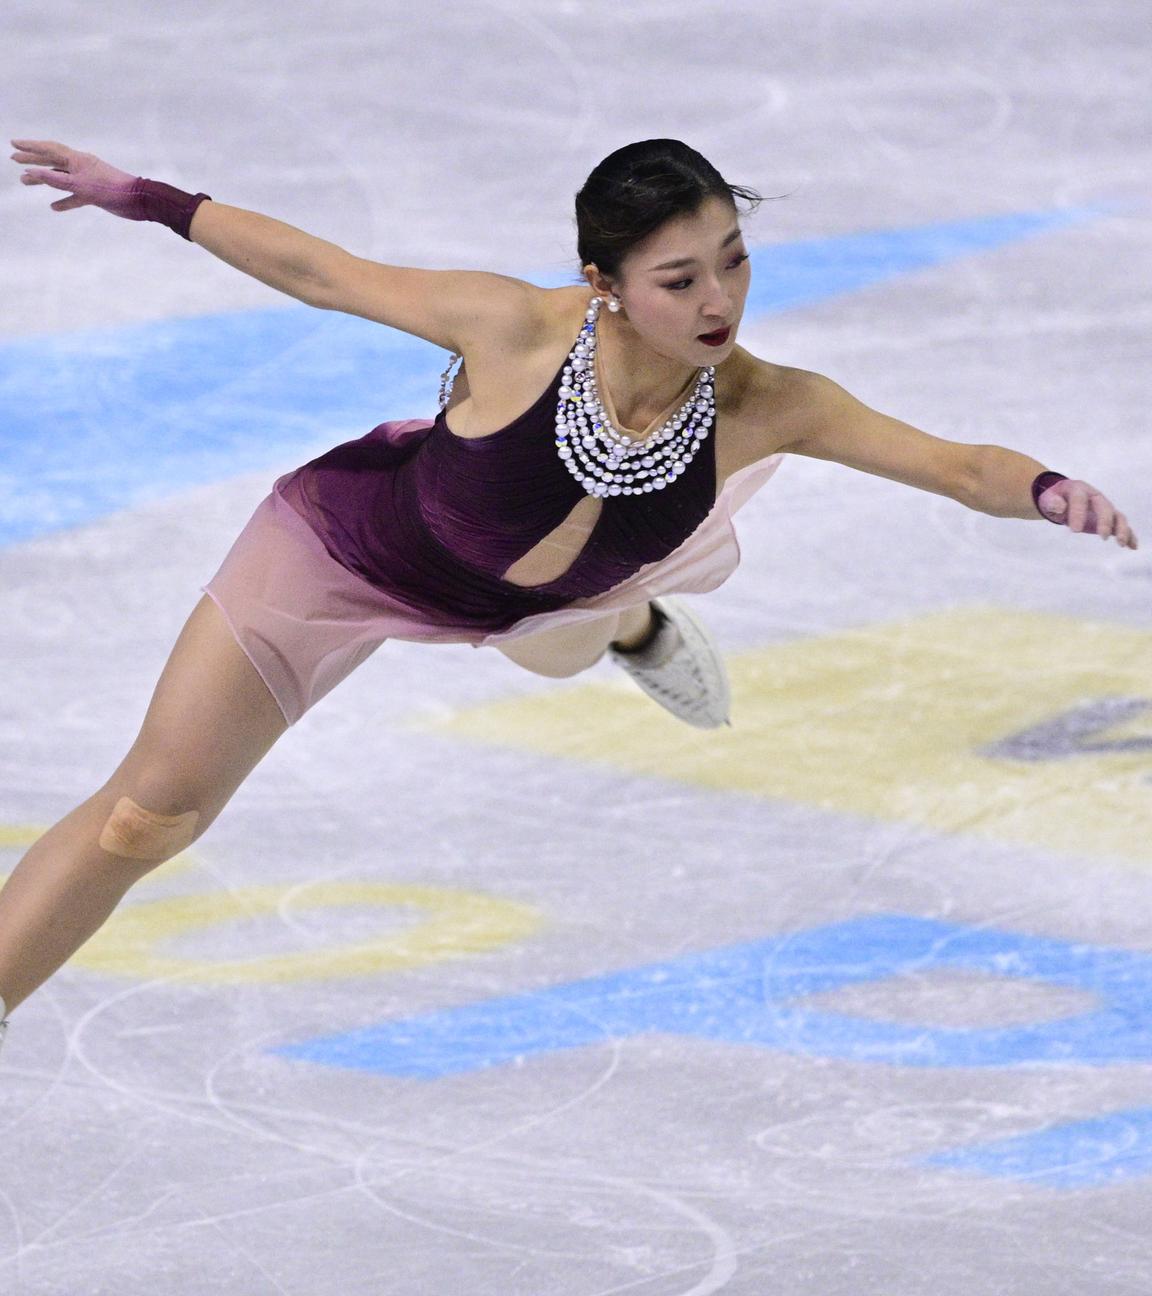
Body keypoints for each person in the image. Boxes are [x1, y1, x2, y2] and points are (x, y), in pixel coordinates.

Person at [0, 136, 1137, 1058]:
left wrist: (1045, 487)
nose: (719, 300)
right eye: (680, 278)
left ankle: (626, 621)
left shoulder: (767, 401)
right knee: (148, 816)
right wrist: (148, 197)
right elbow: (322, 271)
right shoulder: (512, 329)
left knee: (562, 632)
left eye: (734, 260)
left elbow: (951, 463)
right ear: (605, 282)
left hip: (543, 603)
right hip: (340, 560)